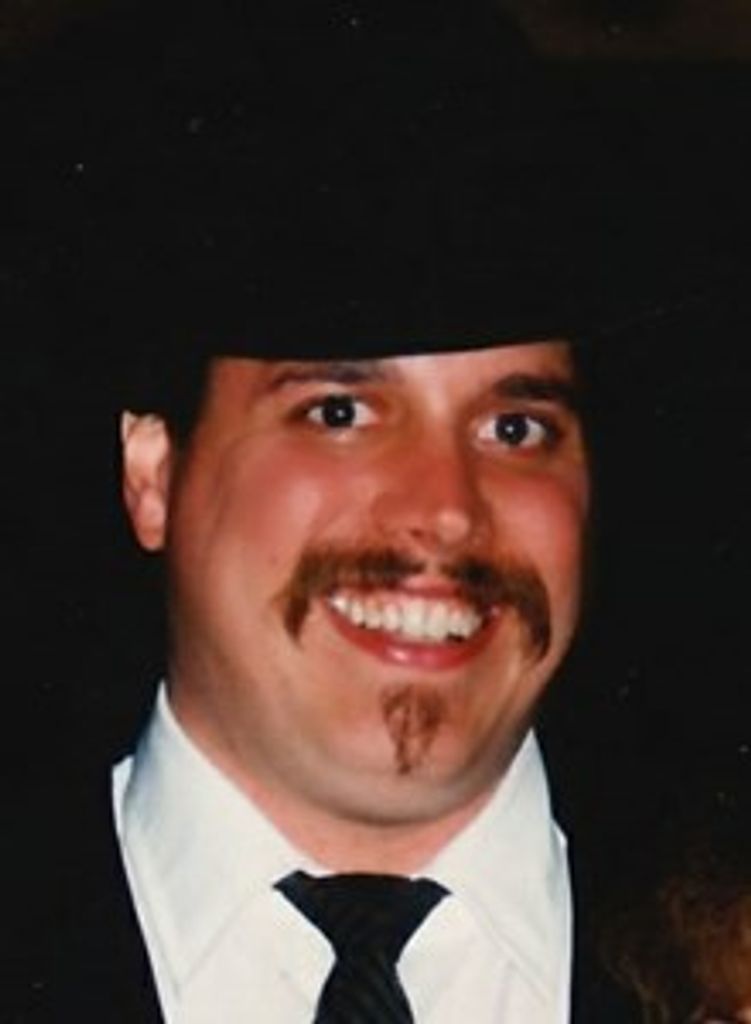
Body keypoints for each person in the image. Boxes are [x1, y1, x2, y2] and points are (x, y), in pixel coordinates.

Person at [2, 1, 731, 1021]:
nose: (445, 510)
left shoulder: (717, 954)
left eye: (514, 427)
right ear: (154, 471)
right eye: (339, 413)